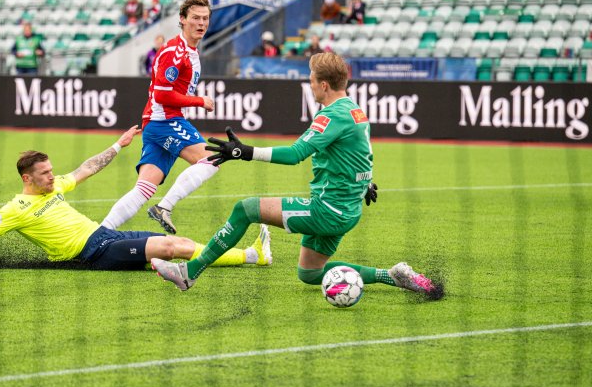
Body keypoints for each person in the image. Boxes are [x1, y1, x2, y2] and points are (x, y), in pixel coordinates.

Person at [151, 52, 442, 301]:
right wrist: (364, 183)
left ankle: (188, 273)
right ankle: (393, 275)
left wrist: (245, 152)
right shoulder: (355, 111)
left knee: (245, 209)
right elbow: (359, 152)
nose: (310, 84)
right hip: (347, 209)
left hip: (328, 210)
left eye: (312, 79)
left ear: (324, 85)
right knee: (310, 273)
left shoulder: (330, 116)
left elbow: (295, 154)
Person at [0, 130, 272, 274]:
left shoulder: (55, 188)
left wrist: (119, 145)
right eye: (45, 173)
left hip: (104, 236)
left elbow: (86, 168)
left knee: (180, 243)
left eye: (51, 171)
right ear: (27, 178)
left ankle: (252, 255)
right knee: (173, 248)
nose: (53, 176)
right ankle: (252, 257)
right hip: (93, 252)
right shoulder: (15, 209)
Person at [100, 0, 216, 235]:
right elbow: (163, 96)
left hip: (158, 123)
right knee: (212, 159)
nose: (201, 23)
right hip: (166, 121)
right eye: (195, 18)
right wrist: (200, 101)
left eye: (205, 18)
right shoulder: (174, 52)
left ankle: (100, 232)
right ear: (182, 20)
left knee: (143, 189)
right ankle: (165, 207)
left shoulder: (189, 52)